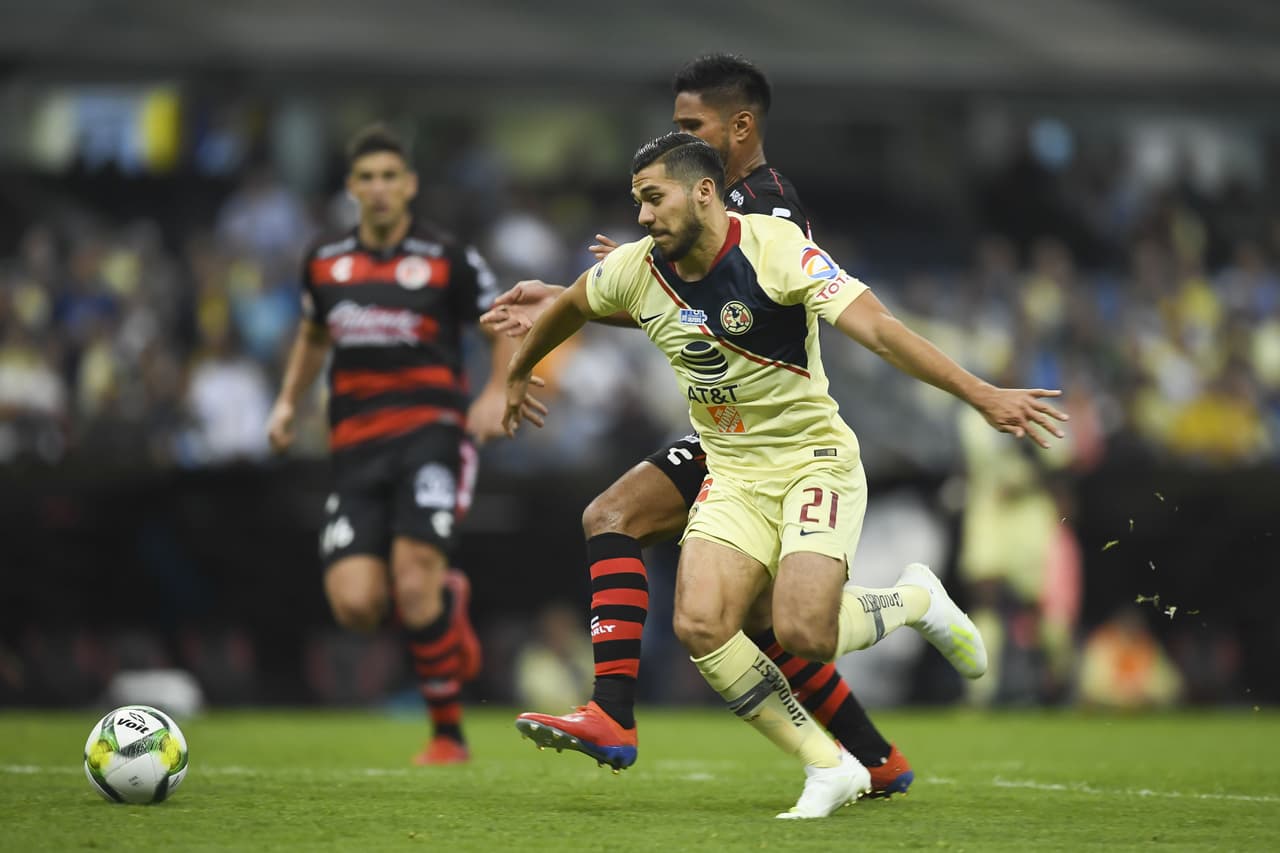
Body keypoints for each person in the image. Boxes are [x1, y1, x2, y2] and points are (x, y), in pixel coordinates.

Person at [501, 132, 1067, 818]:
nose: (643, 216)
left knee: (804, 631)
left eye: (653, 198)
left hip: (811, 460)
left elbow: (883, 331)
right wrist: (518, 370)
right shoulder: (634, 266)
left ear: (703, 191)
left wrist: (983, 394)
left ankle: (915, 600)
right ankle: (827, 764)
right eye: (637, 203)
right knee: (702, 623)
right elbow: (570, 306)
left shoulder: (777, 249)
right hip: (732, 469)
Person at [491, 55, 913, 797]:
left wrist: (614, 288)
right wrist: (585, 294)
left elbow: (721, 314)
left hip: (771, 437)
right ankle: (873, 759)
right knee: (752, 622)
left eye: (691, 126)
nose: (677, 136)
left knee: (621, 522)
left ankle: (616, 714)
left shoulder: (768, 209)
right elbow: (684, 306)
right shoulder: (702, 198)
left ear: (739, 127)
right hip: (729, 429)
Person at [266, 123, 543, 765]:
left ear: (410, 184)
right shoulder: (324, 261)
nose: (380, 188)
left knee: (412, 582)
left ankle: (447, 736)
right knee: (358, 604)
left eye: (391, 175)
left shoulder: (446, 256)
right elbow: (312, 337)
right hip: (356, 447)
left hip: (432, 437)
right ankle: (450, 602)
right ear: (351, 188)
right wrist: (287, 403)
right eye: (368, 177)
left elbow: (506, 320)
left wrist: (495, 391)